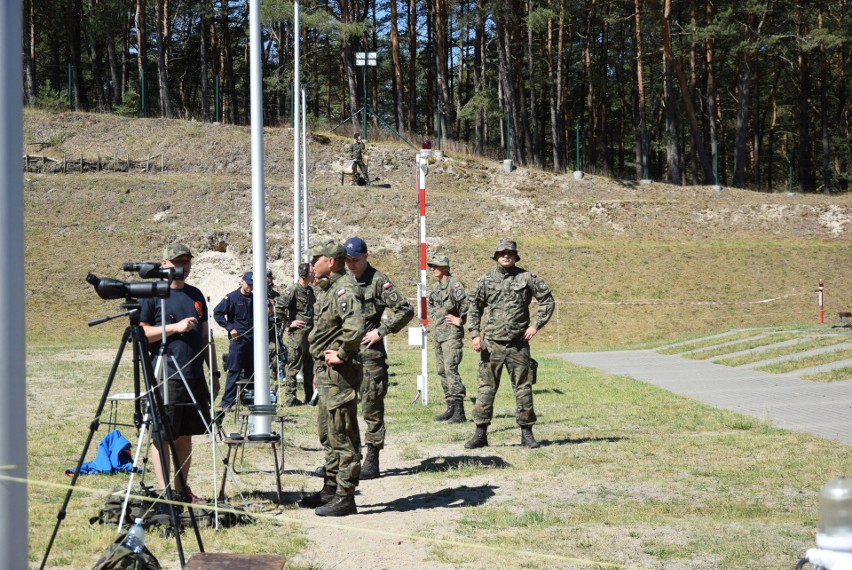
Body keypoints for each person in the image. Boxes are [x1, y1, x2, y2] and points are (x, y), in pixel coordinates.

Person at [139, 243, 220, 504]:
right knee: (162, 435)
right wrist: (175, 327)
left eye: (186, 261)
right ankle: (165, 494)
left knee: (186, 435)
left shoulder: (196, 295)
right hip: (166, 375)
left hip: (195, 376)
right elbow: (142, 334)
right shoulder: (152, 295)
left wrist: (214, 373)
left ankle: (182, 489)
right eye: (177, 261)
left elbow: (208, 338)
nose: (183, 266)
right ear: (164, 264)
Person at [465, 238, 555, 449]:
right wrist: (475, 335)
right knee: (486, 389)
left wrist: (535, 326)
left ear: (515, 256)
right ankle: (480, 433)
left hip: (518, 345)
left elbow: (547, 301)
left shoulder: (526, 278)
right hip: (492, 345)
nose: (506, 256)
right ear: (496, 256)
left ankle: (527, 433)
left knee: (523, 389)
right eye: (502, 253)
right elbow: (474, 308)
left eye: (510, 253)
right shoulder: (485, 280)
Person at [300, 240, 365, 517]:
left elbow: (355, 327)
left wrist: (341, 353)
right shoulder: (326, 289)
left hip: (340, 374)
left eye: (317, 258)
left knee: (343, 435)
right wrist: (317, 370)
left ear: (331, 261)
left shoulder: (344, 289)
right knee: (327, 434)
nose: (312, 264)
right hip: (326, 374)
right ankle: (330, 489)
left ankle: (345, 495)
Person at [343, 237, 414, 479]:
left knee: (371, 406)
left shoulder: (378, 281)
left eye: (355, 259)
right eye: (347, 260)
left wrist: (381, 331)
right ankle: (347, 458)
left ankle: (372, 456)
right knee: (343, 408)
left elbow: (406, 309)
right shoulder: (342, 281)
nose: (351, 264)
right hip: (344, 354)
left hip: (369, 355)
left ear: (366, 256)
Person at [426, 253, 469, 424]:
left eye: (435, 265)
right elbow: (431, 304)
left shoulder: (455, 285)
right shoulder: (437, 288)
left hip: (451, 335)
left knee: (451, 369)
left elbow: (467, 305)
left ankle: (460, 411)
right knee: (441, 371)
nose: (432, 269)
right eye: (431, 266)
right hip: (439, 335)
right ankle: (450, 406)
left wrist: (461, 320)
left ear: (445, 267)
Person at [274, 262, 315, 406]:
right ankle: (290, 398)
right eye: (311, 271)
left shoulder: (310, 291)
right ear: (305, 273)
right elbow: (278, 308)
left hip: (310, 335)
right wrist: (289, 323)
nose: (314, 273)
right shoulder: (292, 290)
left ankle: (310, 397)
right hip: (297, 335)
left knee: (310, 367)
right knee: (293, 365)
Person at [213, 272, 255, 411]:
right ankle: (227, 403)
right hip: (238, 341)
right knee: (234, 371)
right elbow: (217, 313)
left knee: (252, 371)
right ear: (242, 282)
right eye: (248, 284)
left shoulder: (256, 299)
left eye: (252, 285)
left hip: (252, 340)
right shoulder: (231, 297)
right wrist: (230, 328)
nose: (250, 287)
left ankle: (249, 400)